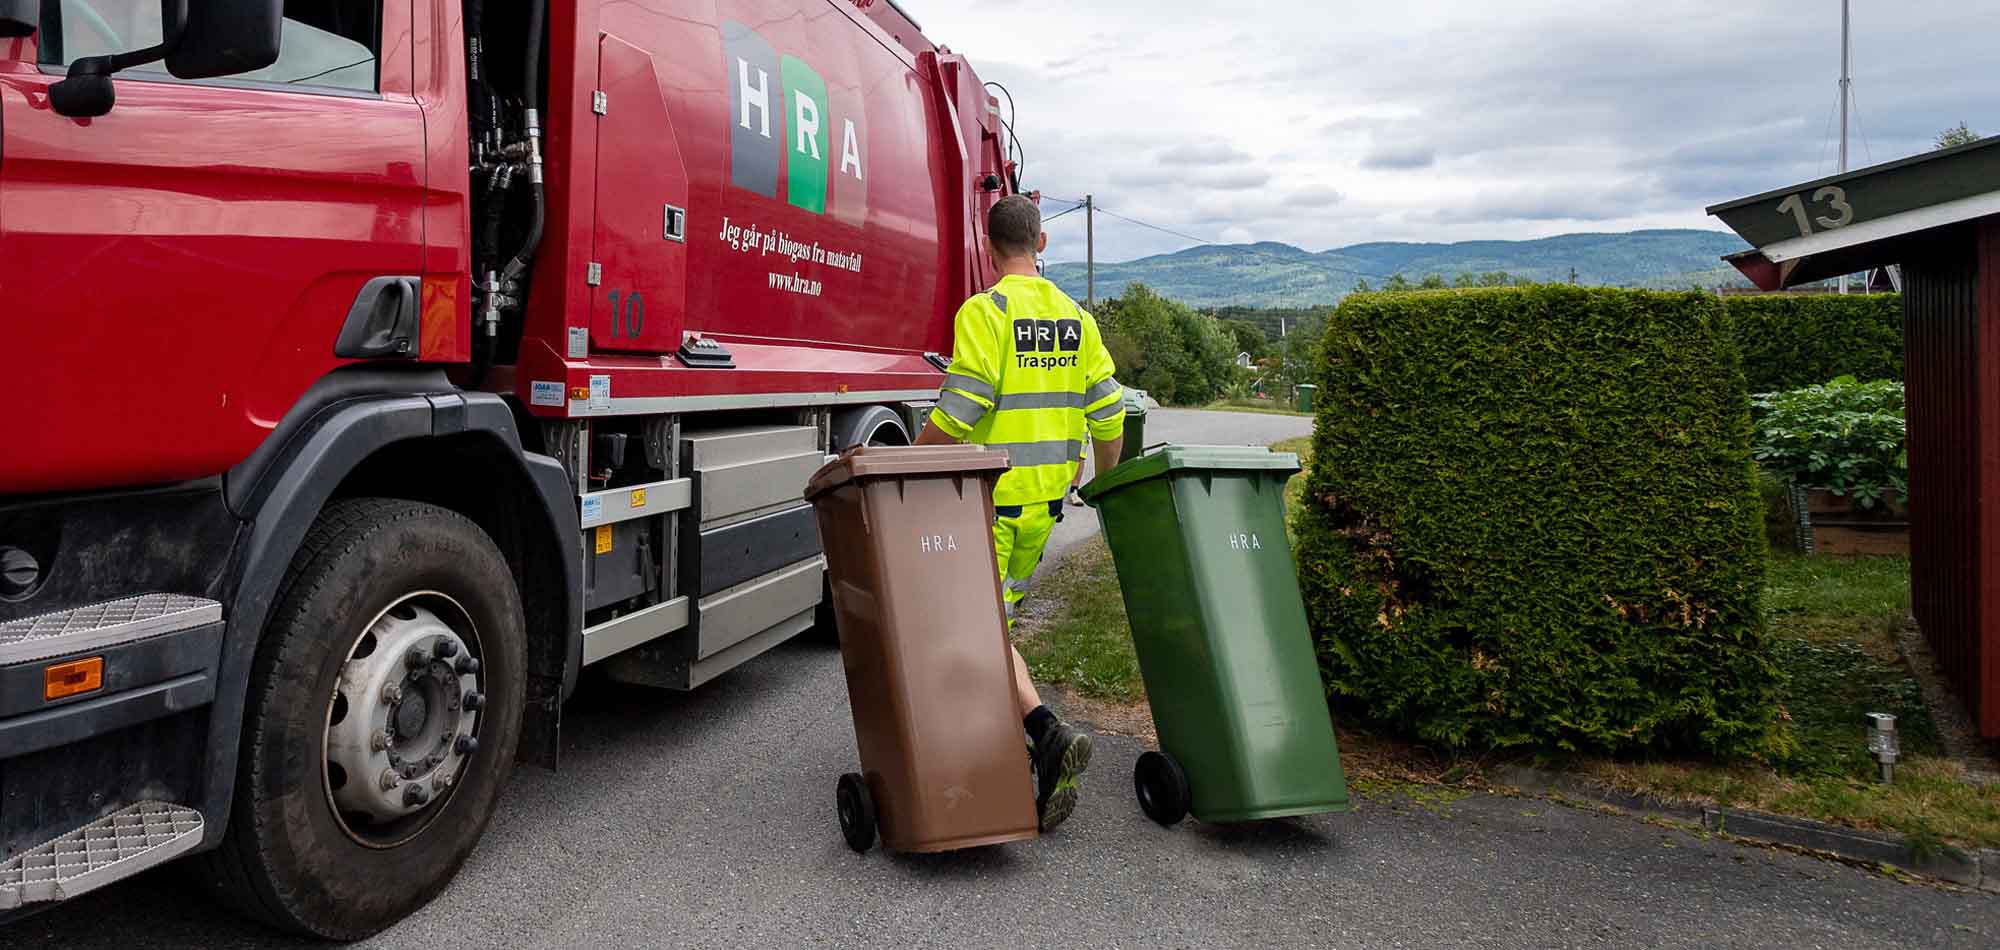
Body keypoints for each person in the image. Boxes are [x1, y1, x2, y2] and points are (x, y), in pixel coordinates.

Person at [916, 194, 1126, 832]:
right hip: (1044, 507)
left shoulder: (987, 312)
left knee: (970, 630)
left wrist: (903, 464)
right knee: (992, 625)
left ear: (986, 247)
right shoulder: (1076, 318)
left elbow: (960, 411)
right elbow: (1110, 414)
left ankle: (1041, 732)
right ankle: (1012, 744)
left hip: (987, 502)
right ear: (1042, 242)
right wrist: (1102, 482)